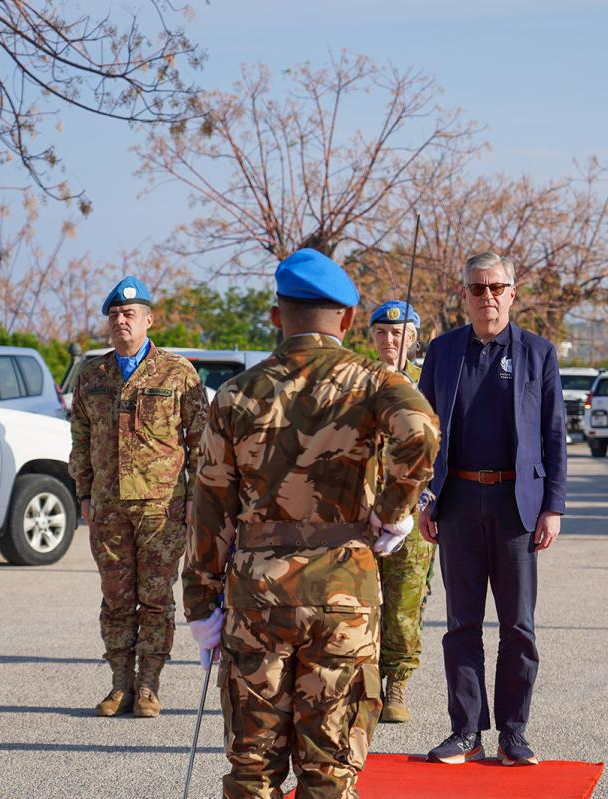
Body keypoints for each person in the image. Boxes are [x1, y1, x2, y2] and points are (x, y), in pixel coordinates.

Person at [181, 249, 439, 798]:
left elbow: (208, 505)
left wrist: (201, 605)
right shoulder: (373, 382)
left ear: (277, 314)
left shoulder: (236, 394)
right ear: (346, 319)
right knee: (330, 770)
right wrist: (393, 513)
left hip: (257, 595)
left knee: (253, 769)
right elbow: (420, 431)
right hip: (343, 590)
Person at [417, 251, 567, 766]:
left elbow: (554, 435)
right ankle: (465, 731)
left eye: (497, 288)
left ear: (512, 292)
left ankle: (513, 732)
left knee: (518, 627)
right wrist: (423, 497)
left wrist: (554, 507)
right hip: (456, 501)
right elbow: (422, 434)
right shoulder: (442, 352)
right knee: (461, 624)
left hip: (516, 506)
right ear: (464, 295)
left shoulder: (537, 353)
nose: (488, 297)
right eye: (478, 289)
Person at [69, 276, 208, 718]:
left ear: (149, 320)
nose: (120, 322)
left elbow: (201, 438)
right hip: (108, 507)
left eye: (129, 315)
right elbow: (80, 438)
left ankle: (148, 686)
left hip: (161, 506)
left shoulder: (177, 373)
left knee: (155, 597)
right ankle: (119, 685)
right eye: (113, 315)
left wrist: (195, 496)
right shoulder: (92, 375)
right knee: (115, 597)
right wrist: (84, 492)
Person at [367, 299, 436, 724]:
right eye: (382, 333)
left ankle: (398, 685)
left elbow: (443, 442)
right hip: (366, 510)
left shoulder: (429, 382)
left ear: (412, 337)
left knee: (406, 601)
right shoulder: (361, 382)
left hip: (414, 509)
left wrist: (430, 496)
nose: (390, 340)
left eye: (398, 333)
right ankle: (367, 682)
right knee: (364, 600)